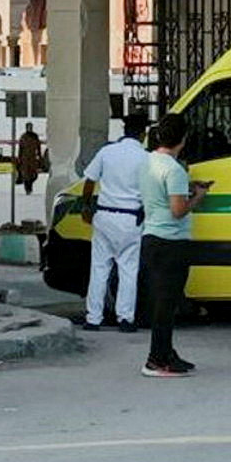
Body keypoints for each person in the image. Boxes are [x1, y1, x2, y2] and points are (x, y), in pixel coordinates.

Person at [139, 113, 210, 377]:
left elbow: (159, 193)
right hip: (172, 243)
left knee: (162, 300)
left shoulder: (148, 162)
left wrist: (184, 187)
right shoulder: (174, 169)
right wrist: (198, 196)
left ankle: (167, 352)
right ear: (183, 138)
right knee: (166, 304)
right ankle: (156, 359)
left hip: (152, 238)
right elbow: (178, 210)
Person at [80, 113, 151, 332]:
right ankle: (125, 319)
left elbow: (89, 181)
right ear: (143, 133)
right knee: (128, 270)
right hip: (131, 219)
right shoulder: (146, 158)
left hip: (104, 216)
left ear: (124, 130)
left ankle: (93, 318)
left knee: (99, 269)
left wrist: (86, 206)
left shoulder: (107, 152)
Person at [16, 122, 43, 194]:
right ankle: (27, 189)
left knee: (34, 175)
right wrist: (19, 159)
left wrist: (40, 157)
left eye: (31, 127)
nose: (29, 128)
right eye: (28, 127)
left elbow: (38, 147)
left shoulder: (35, 136)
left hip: (32, 158)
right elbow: (20, 148)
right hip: (25, 158)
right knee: (26, 175)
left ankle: (29, 185)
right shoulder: (23, 137)